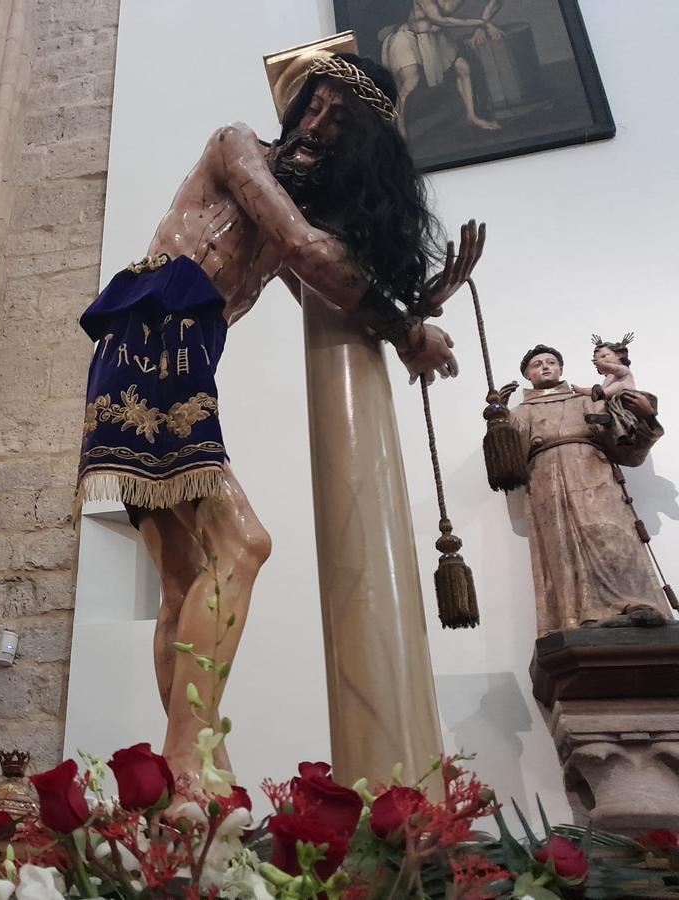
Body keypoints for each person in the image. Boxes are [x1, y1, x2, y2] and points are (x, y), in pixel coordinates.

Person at [75, 52, 484, 779]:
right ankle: (191, 765)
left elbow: (321, 285)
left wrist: (405, 311)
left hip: (158, 349)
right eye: (314, 109)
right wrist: (407, 325)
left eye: (339, 122)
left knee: (184, 577)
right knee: (246, 545)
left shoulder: (285, 222)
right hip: (154, 335)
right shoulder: (240, 148)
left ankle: (195, 780)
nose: (318, 127)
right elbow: (308, 249)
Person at [506, 345, 672, 636]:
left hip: (595, 475)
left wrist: (645, 417)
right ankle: (580, 616)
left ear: (561, 368)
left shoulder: (587, 401)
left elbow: (628, 448)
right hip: (549, 482)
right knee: (563, 547)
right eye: (537, 364)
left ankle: (636, 603)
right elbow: (508, 465)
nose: (545, 367)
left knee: (612, 534)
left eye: (552, 362)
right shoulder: (520, 413)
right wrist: (496, 422)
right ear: (526, 375)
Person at [381, 0, 504, 132]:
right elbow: (440, 20)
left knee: (463, 67)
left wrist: (480, 28)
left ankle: (472, 117)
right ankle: (398, 124)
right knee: (411, 81)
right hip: (411, 37)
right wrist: (483, 23)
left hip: (436, 37)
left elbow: (496, 2)